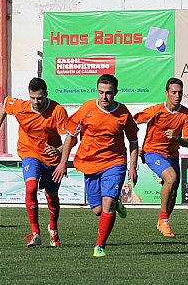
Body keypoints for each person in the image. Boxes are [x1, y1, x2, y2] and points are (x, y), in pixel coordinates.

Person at [53, 74, 139, 257]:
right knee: (97, 210)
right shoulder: (87, 109)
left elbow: (133, 140)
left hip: (115, 162)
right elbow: (71, 136)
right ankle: (116, 203)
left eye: (108, 93)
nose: (104, 97)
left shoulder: (123, 113)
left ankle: (100, 246)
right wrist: (62, 163)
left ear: (115, 92)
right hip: (90, 163)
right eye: (101, 92)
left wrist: (133, 166)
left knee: (106, 203)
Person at [0, 78, 70, 247]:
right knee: (31, 187)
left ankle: (53, 228)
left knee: (52, 195)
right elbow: (5, 105)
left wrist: (60, 151)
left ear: (46, 95)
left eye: (39, 98)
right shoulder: (22, 106)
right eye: (32, 97)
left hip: (51, 158)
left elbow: (72, 137)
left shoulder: (57, 111)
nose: (36, 102)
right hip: (29, 152)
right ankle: (35, 232)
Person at [133, 77, 188, 238]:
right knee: (171, 178)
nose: (177, 96)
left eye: (180, 92)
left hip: (172, 155)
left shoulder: (186, 114)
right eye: (174, 92)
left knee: (173, 191)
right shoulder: (156, 111)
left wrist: (177, 138)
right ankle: (164, 220)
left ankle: (163, 220)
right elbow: (132, 123)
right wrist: (137, 146)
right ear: (166, 93)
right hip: (152, 152)